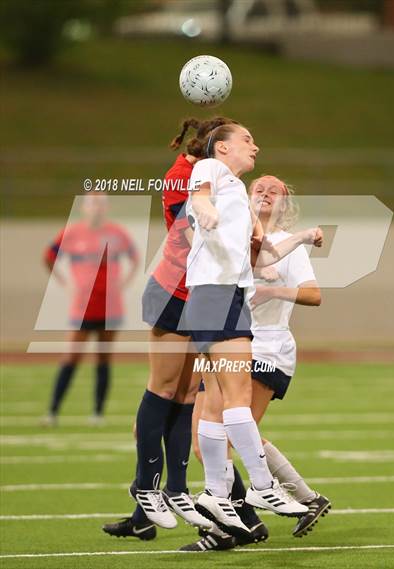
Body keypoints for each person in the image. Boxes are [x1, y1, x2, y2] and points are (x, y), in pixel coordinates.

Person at [183, 123, 323, 540]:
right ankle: (263, 487)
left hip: (214, 297)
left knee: (214, 404)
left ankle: (213, 492)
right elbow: (199, 193)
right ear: (223, 147)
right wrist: (203, 208)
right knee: (234, 399)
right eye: (247, 140)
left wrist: (303, 236)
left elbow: (268, 255)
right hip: (218, 295)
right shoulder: (211, 167)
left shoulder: (242, 209)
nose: (255, 146)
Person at [104, 118, 239, 541]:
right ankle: (146, 491)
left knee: (185, 396)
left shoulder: (212, 175)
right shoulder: (185, 176)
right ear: (216, 147)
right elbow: (204, 228)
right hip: (174, 293)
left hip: (200, 298)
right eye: (239, 141)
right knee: (162, 391)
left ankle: (175, 491)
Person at [41, 194, 139, 427]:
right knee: (71, 357)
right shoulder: (72, 232)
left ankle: (97, 412)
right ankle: (52, 411)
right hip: (82, 306)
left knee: (103, 359)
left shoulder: (116, 233)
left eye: (101, 204)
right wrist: (65, 283)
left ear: (106, 208)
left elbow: (135, 258)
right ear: (84, 207)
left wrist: (123, 283)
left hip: (111, 306)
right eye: (92, 203)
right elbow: (48, 257)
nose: (97, 208)